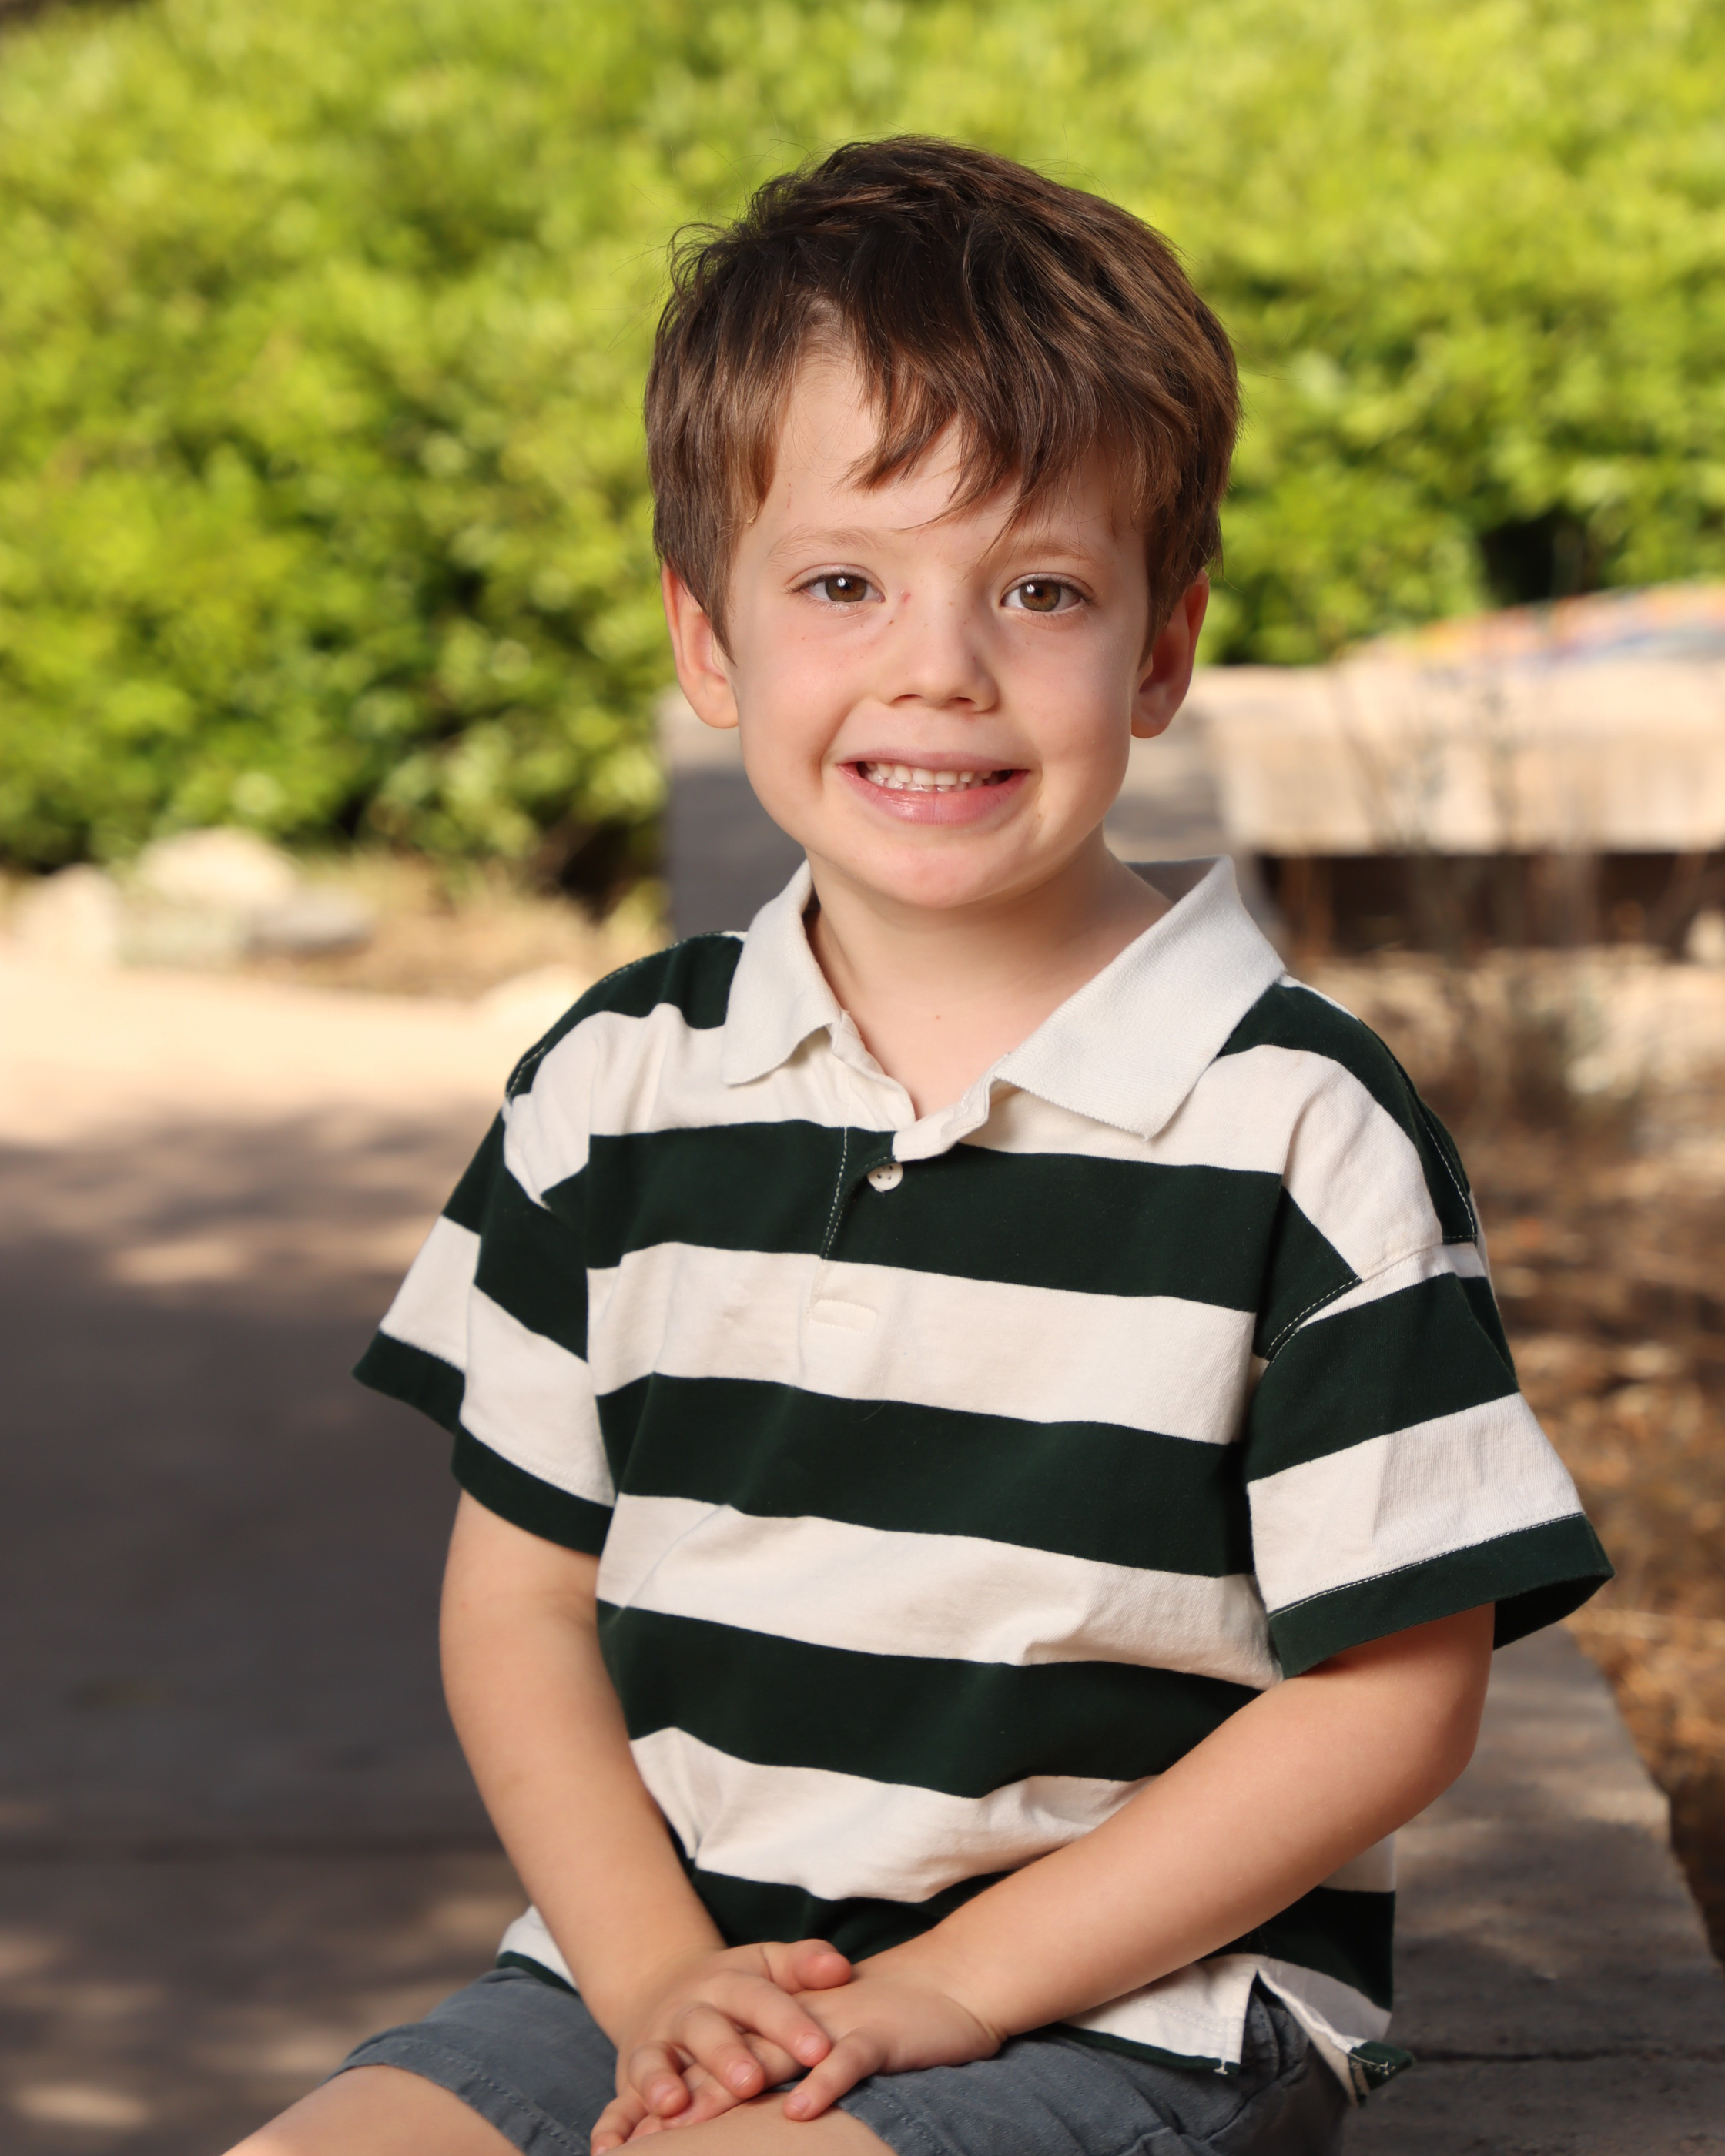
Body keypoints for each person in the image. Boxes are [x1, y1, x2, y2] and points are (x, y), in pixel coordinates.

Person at [229, 137, 1610, 2156]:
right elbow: (518, 1607)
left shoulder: (1296, 1128)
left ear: (1160, 650)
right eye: (843, 584)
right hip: (660, 1970)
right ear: (711, 639)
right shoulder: (615, 1088)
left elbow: (1395, 1693)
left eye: (1039, 589)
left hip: (1130, 2007)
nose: (939, 666)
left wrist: (946, 1988)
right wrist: (653, 1977)